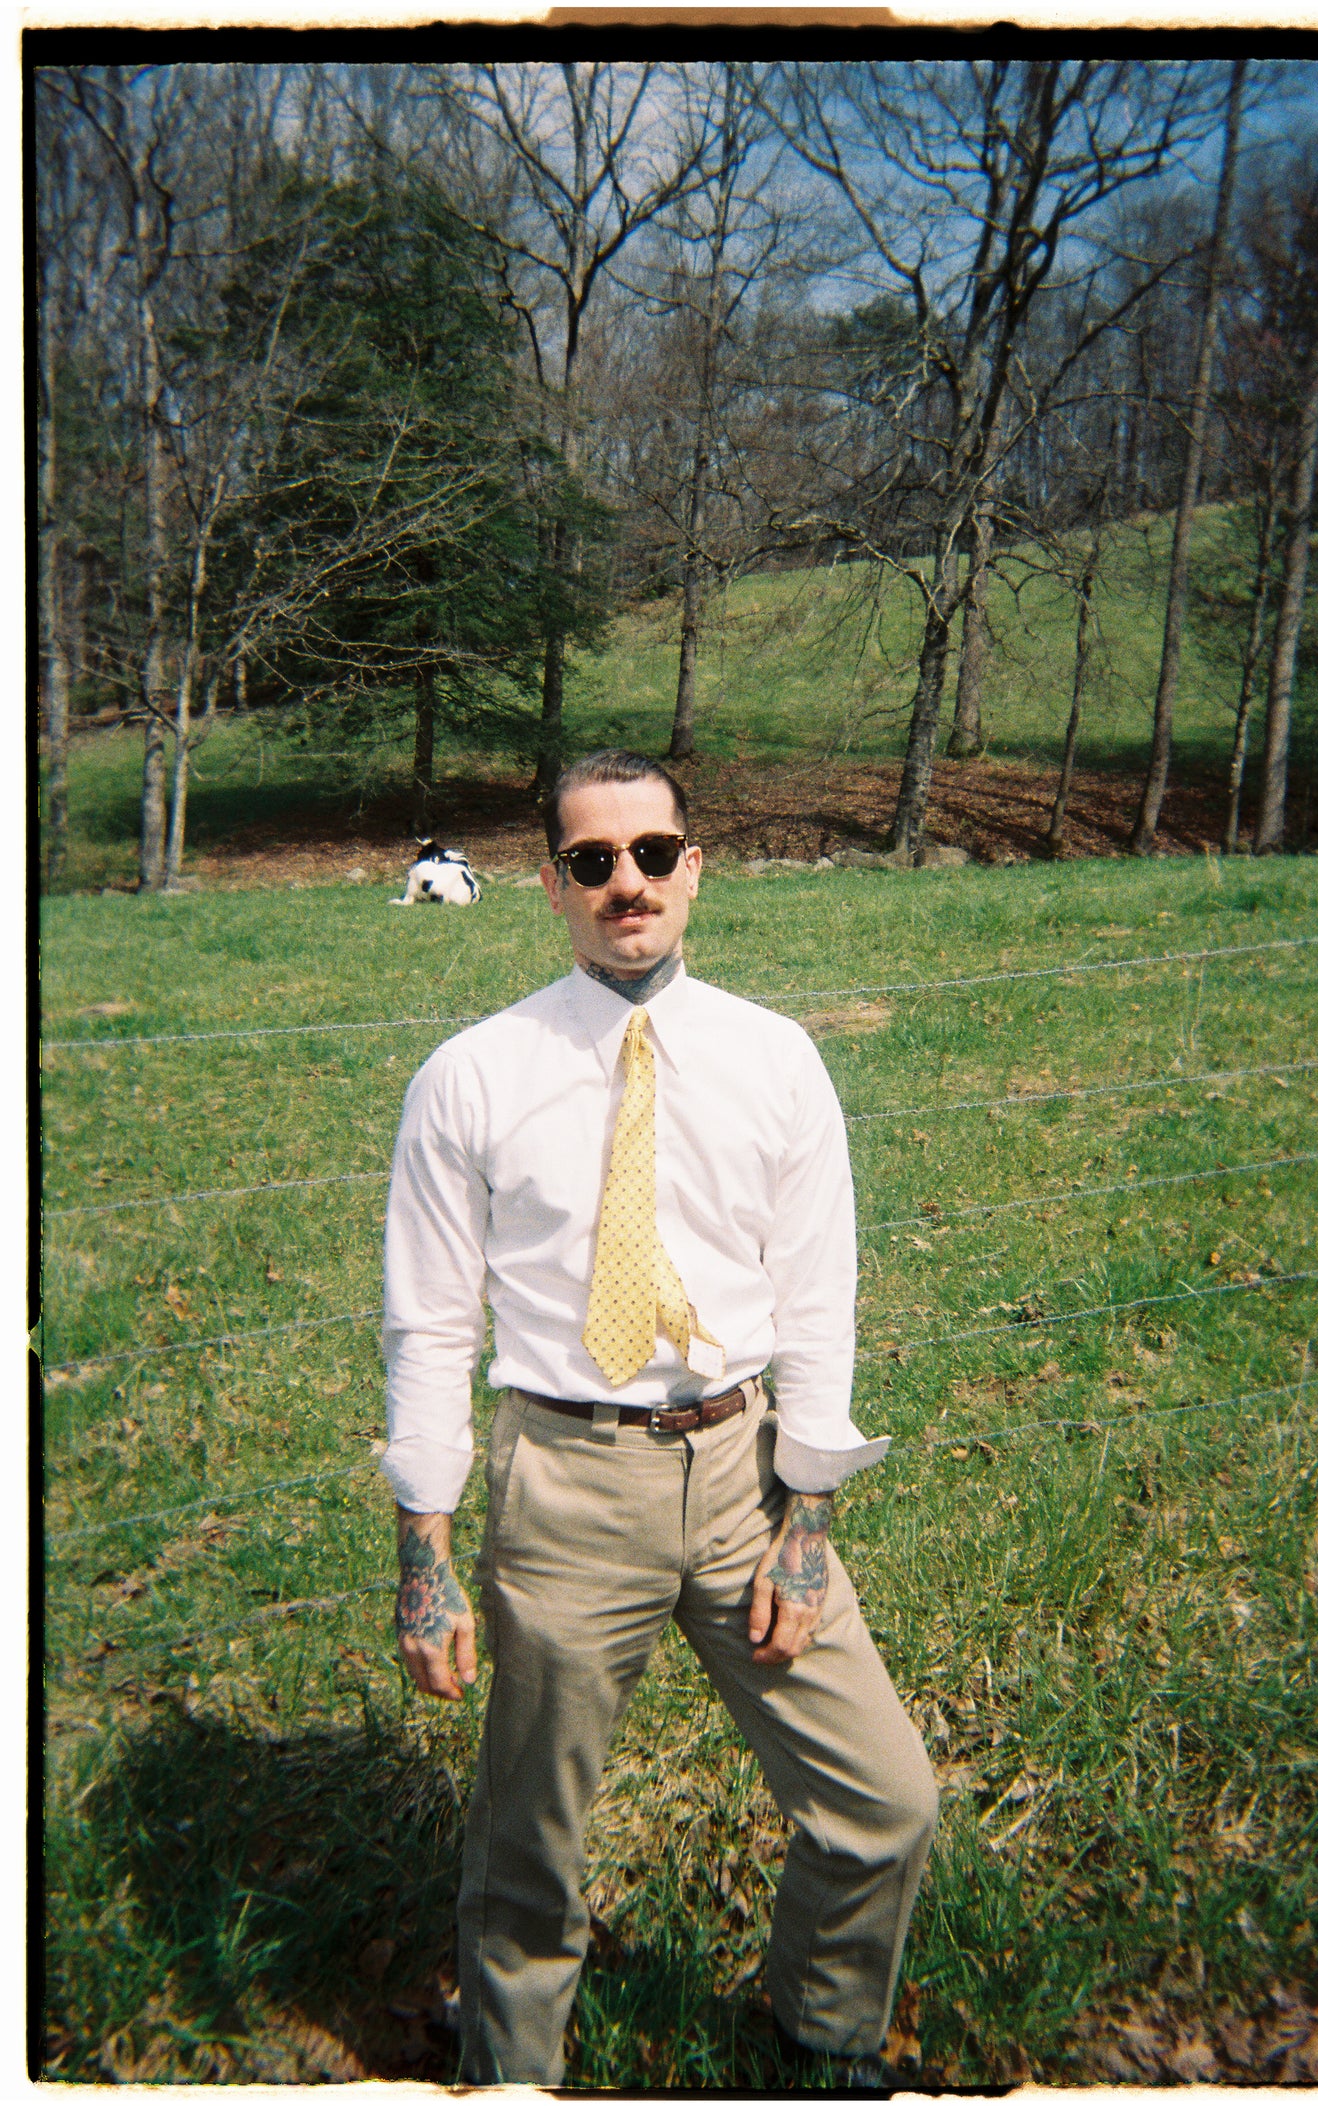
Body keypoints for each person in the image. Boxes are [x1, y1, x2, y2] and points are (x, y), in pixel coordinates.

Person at [380, 749, 938, 2089]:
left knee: (882, 1799)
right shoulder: (471, 1076)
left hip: (745, 1476)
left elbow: (816, 1304)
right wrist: (426, 1552)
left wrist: (805, 1522)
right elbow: (430, 1326)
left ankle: (823, 2030)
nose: (623, 881)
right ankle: (514, 2060)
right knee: (530, 1838)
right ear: (550, 886)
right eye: (591, 860)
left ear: (692, 867)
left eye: (649, 853)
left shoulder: (777, 1061)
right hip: (565, 1481)